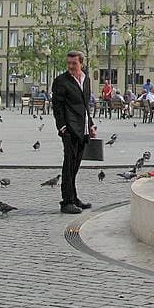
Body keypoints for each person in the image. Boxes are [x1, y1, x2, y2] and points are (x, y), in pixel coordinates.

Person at [52, 49, 97, 215]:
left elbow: (86, 106)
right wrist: (62, 128)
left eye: (74, 63)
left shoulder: (86, 79)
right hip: (69, 130)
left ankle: (74, 197)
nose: (71, 66)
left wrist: (91, 125)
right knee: (68, 166)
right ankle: (67, 202)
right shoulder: (61, 81)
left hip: (83, 128)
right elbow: (57, 107)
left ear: (81, 63)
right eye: (69, 63)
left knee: (76, 165)